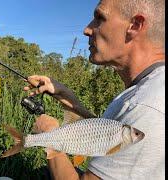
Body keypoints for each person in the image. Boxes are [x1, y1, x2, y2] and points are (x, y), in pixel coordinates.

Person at [24, 0, 165, 179]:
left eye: (99, 18)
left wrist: (50, 135)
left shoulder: (145, 107)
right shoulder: (148, 89)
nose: (86, 29)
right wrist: (70, 100)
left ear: (135, 25)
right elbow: (105, 136)